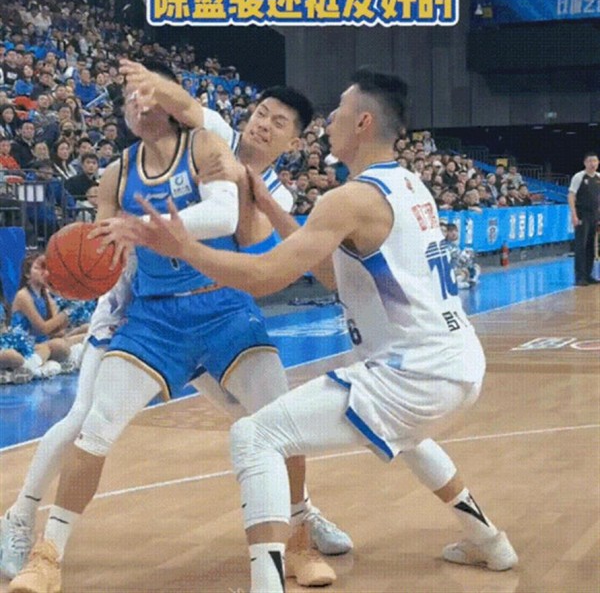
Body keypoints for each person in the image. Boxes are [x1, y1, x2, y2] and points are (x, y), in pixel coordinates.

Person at [115, 69, 518, 592]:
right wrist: (269, 208)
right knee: (410, 437)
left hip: (413, 371)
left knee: (255, 435)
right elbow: (335, 276)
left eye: (339, 111)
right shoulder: (409, 184)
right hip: (458, 361)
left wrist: (185, 248)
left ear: (363, 122)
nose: (329, 121)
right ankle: (491, 543)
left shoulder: (349, 199)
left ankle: (267, 583)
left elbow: (264, 277)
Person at [4, 66, 346, 592]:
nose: (262, 125)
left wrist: (146, 227)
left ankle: (298, 528)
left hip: (223, 308)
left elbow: (232, 224)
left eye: (278, 122)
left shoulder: (223, 157)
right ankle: (41, 548)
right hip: (144, 310)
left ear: (294, 140)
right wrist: (78, 262)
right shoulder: (137, 164)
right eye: (260, 114)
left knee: (276, 421)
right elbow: (102, 241)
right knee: (90, 421)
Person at [568, 152, 600, 286]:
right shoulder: (579, 176)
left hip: (594, 215)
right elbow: (571, 195)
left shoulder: (598, 177)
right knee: (581, 245)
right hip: (582, 214)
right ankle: (580, 276)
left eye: (595, 161)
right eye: (590, 161)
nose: (592, 164)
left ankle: (588, 274)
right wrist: (574, 214)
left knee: (591, 246)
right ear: (585, 163)